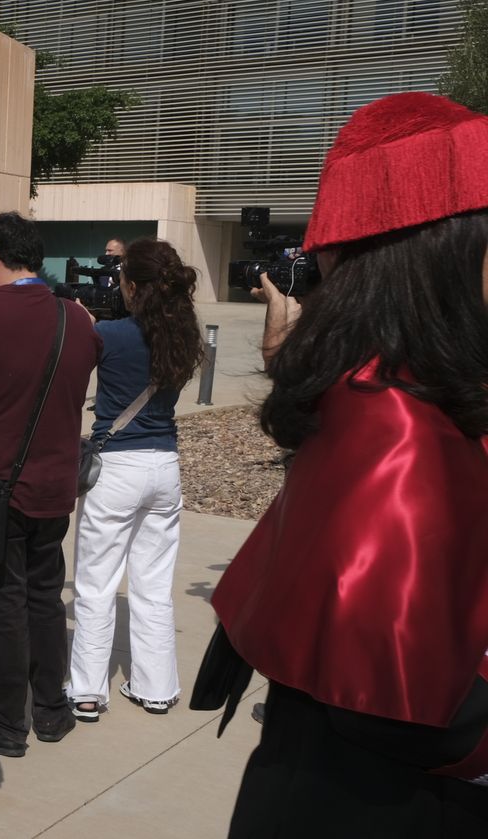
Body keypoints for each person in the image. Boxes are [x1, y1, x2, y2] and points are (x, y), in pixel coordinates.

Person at [194, 93, 488, 833]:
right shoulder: (394, 424)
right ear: (441, 257)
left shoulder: (420, 388)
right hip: (373, 798)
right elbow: (405, 704)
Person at [0, 211, 100, 757]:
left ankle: (7, 723)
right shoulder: (77, 319)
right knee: (46, 597)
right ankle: (52, 712)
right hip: (56, 484)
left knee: (3, 604)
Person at [66, 240, 205, 722]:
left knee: (97, 584)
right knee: (153, 586)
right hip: (164, 466)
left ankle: (87, 689)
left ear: (131, 286)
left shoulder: (109, 334)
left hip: (116, 468)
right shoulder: (185, 336)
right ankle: (157, 687)